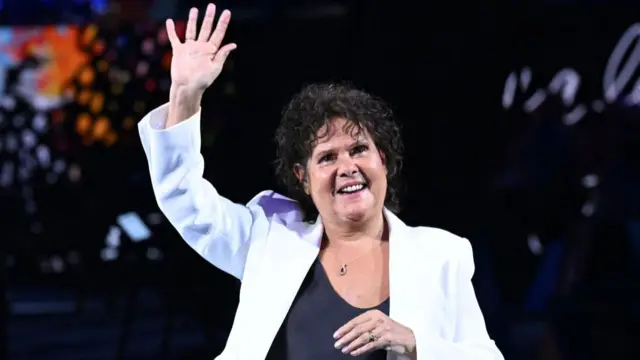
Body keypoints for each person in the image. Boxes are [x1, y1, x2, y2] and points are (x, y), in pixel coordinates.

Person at [138, 3, 504, 359]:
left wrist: (415, 344)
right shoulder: (268, 239)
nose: (347, 166)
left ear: (384, 161)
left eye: (359, 149)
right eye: (327, 157)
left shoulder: (441, 255)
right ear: (304, 179)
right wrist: (186, 95)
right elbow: (184, 199)